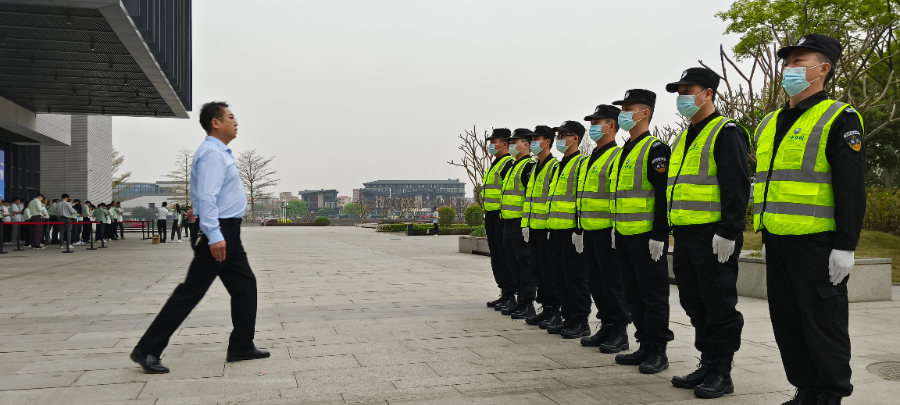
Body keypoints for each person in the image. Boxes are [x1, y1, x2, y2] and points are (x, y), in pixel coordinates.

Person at [754, 34, 864, 405]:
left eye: (799, 62)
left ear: (823, 69)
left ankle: (829, 395)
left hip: (818, 243)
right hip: (779, 240)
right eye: (787, 62)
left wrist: (846, 245)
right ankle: (805, 389)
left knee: (823, 325)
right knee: (788, 323)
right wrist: (768, 236)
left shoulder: (839, 116)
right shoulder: (771, 121)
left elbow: (850, 187)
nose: (789, 69)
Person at [132, 101, 269, 373]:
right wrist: (215, 235)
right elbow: (206, 197)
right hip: (218, 231)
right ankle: (147, 349)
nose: (236, 121)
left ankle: (241, 345)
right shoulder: (212, 154)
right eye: (230, 117)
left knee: (245, 286)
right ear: (215, 122)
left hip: (228, 230)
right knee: (190, 292)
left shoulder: (220, 152)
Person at [665, 67, 750, 398]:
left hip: (714, 236)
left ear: (708, 94)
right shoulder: (683, 137)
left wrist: (729, 230)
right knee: (694, 301)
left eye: (689, 92)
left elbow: (737, 184)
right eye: (679, 93)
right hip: (686, 235)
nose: (682, 98)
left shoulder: (725, 131)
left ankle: (722, 371)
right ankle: (708, 360)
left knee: (718, 302)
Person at [609, 89, 673, 374]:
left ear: (644, 112)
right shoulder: (625, 150)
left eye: (628, 108)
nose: (623, 113)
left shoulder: (655, 149)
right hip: (623, 234)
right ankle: (644, 343)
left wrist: (661, 234)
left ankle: (658, 349)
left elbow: (662, 196)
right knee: (633, 294)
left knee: (653, 294)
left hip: (647, 238)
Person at [576, 105, 631, 353]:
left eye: (597, 123)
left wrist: (615, 227)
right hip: (590, 230)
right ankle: (606, 325)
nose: (593, 128)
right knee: (595, 283)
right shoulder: (591, 159)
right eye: (591, 123)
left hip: (608, 231)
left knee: (612, 283)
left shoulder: (617, 156)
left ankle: (620, 330)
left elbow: (617, 194)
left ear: (611, 125)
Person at [546, 121, 590, 339]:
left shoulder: (582, 163)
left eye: (564, 135)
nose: (559, 139)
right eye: (558, 135)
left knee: (575, 277)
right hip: (555, 229)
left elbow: (581, 198)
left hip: (572, 231)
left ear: (576, 139)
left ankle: (580, 320)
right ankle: (568, 317)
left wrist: (579, 228)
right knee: (559, 277)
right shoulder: (558, 165)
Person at [521, 125, 560, 328]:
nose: (533, 143)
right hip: (534, 228)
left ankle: (555, 310)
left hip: (547, 229)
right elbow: (530, 199)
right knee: (537, 271)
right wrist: (526, 223)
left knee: (549, 272)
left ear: (547, 142)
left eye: (537, 139)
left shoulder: (554, 166)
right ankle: (545, 308)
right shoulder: (536, 167)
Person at [498, 128, 536, 319]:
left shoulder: (529, 166)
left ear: (526, 145)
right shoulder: (514, 166)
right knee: (512, 263)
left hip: (520, 224)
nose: (512, 145)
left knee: (524, 265)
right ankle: (519, 300)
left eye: (515, 142)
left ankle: (527, 303)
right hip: (508, 222)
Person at [482, 128, 516, 310]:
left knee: (505, 256)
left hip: (502, 215)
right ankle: (504, 291)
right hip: (491, 215)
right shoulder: (496, 163)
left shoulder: (508, 164)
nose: (491, 146)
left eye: (494, 142)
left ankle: (511, 294)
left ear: (505, 144)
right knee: (496, 256)